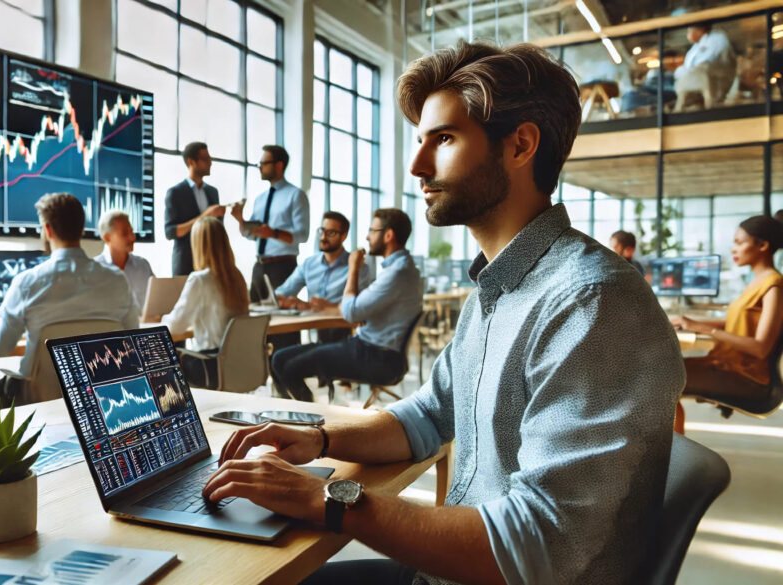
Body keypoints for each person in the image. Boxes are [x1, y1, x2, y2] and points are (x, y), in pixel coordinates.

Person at [203, 40, 684, 585]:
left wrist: (328, 497)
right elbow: (431, 415)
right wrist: (320, 439)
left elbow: (538, 548)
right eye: (419, 141)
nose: (417, 165)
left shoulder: (591, 304)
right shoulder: (497, 286)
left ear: (521, 145)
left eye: (445, 139)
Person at [268, 208, 422, 403]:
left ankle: (312, 420)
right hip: (369, 348)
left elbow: (351, 312)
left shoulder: (397, 273)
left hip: (377, 357)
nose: (367, 237)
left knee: (290, 367)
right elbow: (356, 306)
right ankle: (306, 413)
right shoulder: (400, 269)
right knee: (279, 359)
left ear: (388, 235)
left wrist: (353, 269)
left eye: (372, 231)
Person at [0, 193, 140, 383]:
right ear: (82, 229)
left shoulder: (27, 283)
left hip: (40, 399)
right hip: (100, 395)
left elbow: (0, 346)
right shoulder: (118, 281)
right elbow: (133, 335)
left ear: (48, 230)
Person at [672, 215, 783, 409]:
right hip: (724, 364)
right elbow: (738, 323)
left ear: (763, 246)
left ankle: (665, 439)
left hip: (748, 377)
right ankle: (669, 438)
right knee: (658, 372)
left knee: (660, 379)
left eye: (739, 243)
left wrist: (707, 330)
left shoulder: (774, 286)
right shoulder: (756, 281)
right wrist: (689, 322)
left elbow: (760, 347)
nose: (733, 249)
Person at [161, 217, 249, 389]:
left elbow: (175, 327)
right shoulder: (237, 277)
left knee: (163, 368)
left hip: (210, 366)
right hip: (239, 364)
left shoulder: (200, 280)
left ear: (198, 245)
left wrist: (160, 318)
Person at [276, 211, 373, 344]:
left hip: (342, 333)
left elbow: (360, 307)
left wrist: (329, 306)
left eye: (330, 233)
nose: (323, 237)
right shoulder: (309, 264)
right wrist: (294, 303)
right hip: (312, 330)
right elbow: (281, 293)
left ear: (343, 236)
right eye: (322, 230)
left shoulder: (357, 267)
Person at [231, 145, 310, 303]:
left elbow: (302, 235)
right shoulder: (260, 199)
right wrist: (240, 219)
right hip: (260, 266)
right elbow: (251, 235)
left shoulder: (295, 195)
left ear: (279, 165)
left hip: (283, 266)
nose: (260, 167)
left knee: (282, 318)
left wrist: (273, 233)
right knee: (255, 316)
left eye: (264, 163)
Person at [165, 142, 224, 276]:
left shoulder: (213, 192)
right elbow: (170, 232)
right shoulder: (175, 192)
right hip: (186, 263)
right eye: (205, 159)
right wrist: (205, 216)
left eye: (210, 159)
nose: (210, 163)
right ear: (191, 162)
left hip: (211, 263)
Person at [96, 209, 154, 308]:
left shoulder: (143, 266)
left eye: (132, 232)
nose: (132, 238)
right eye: (125, 233)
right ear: (107, 238)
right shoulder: (95, 269)